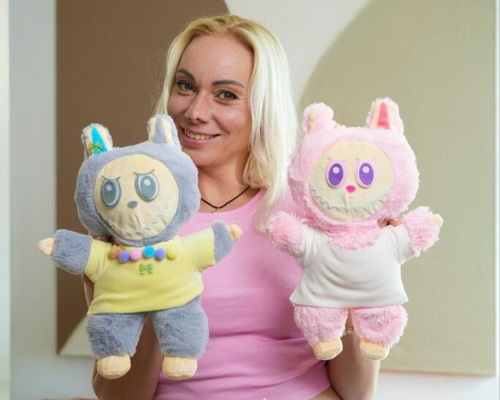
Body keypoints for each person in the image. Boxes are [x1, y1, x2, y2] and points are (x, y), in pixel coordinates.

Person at [85, 13, 380, 400]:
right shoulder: (128, 215)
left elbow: (357, 392)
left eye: (225, 94)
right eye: (186, 86)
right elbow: (118, 395)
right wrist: (152, 296)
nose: (195, 111)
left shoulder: (311, 213)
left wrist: (359, 283)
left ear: (262, 107)